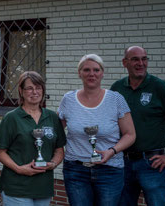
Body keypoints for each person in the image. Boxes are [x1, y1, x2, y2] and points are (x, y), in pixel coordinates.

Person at [58, 54, 136, 205]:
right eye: (86, 70)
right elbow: (56, 131)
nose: (91, 74)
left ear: (102, 73)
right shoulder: (68, 99)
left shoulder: (116, 99)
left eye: (96, 70)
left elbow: (130, 134)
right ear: (79, 73)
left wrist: (112, 151)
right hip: (76, 170)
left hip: (110, 170)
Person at [111, 46, 165, 206]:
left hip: (152, 163)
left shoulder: (161, 88)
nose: (141, 63)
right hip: (122, 163)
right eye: (135, 59)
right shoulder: (117, 89)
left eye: (144, 59)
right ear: (125, 62)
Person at [0, 71, 66, 206]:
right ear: (21, 91)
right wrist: (19, 169)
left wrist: (52, 164)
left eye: (38, 88)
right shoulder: (11, 118)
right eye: (29, 88)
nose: (34, 92)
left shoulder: (52, 117)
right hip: (16, 186)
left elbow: (59, 149)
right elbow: (0, 151)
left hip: (43, 187)